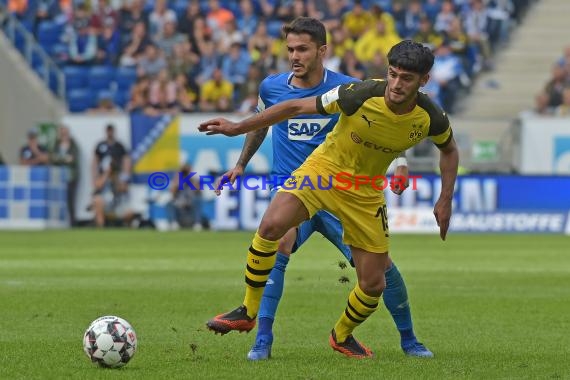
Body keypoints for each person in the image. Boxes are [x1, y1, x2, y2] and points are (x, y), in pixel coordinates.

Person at [201, 37, 458, 359]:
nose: (395, 84)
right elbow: (294, 107)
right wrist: (238, 127)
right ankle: (248, 313)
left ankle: (342, 335)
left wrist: (445, 198)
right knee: (271, 228)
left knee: (374, 283)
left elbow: (449, 150)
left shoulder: (431, 116)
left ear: (424, 81)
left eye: (406, 78)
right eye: (392, 74)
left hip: (364, 191)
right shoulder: (360, 94)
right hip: (324, 171)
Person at [91, 124, 132, 227]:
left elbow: (122, 188)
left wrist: (120, 177)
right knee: (97, 201)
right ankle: (101, 228)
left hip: (116, 199)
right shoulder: (100, 146)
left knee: (129, 211)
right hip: (106, 197)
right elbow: (98, 184)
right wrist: (106, 173)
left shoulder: (119, 146)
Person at [51, 125, 80, 226]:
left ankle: (72, 223)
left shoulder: (73, 144)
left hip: (71, 177)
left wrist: (60, 159)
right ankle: (58, 222)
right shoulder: (56, 144)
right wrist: (65, 159)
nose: (64, 135)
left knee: (70, 200)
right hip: (58, 177)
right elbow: (53, 158)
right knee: (58, 200)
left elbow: (73, 159)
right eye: (62, 133)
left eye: (65, 132)